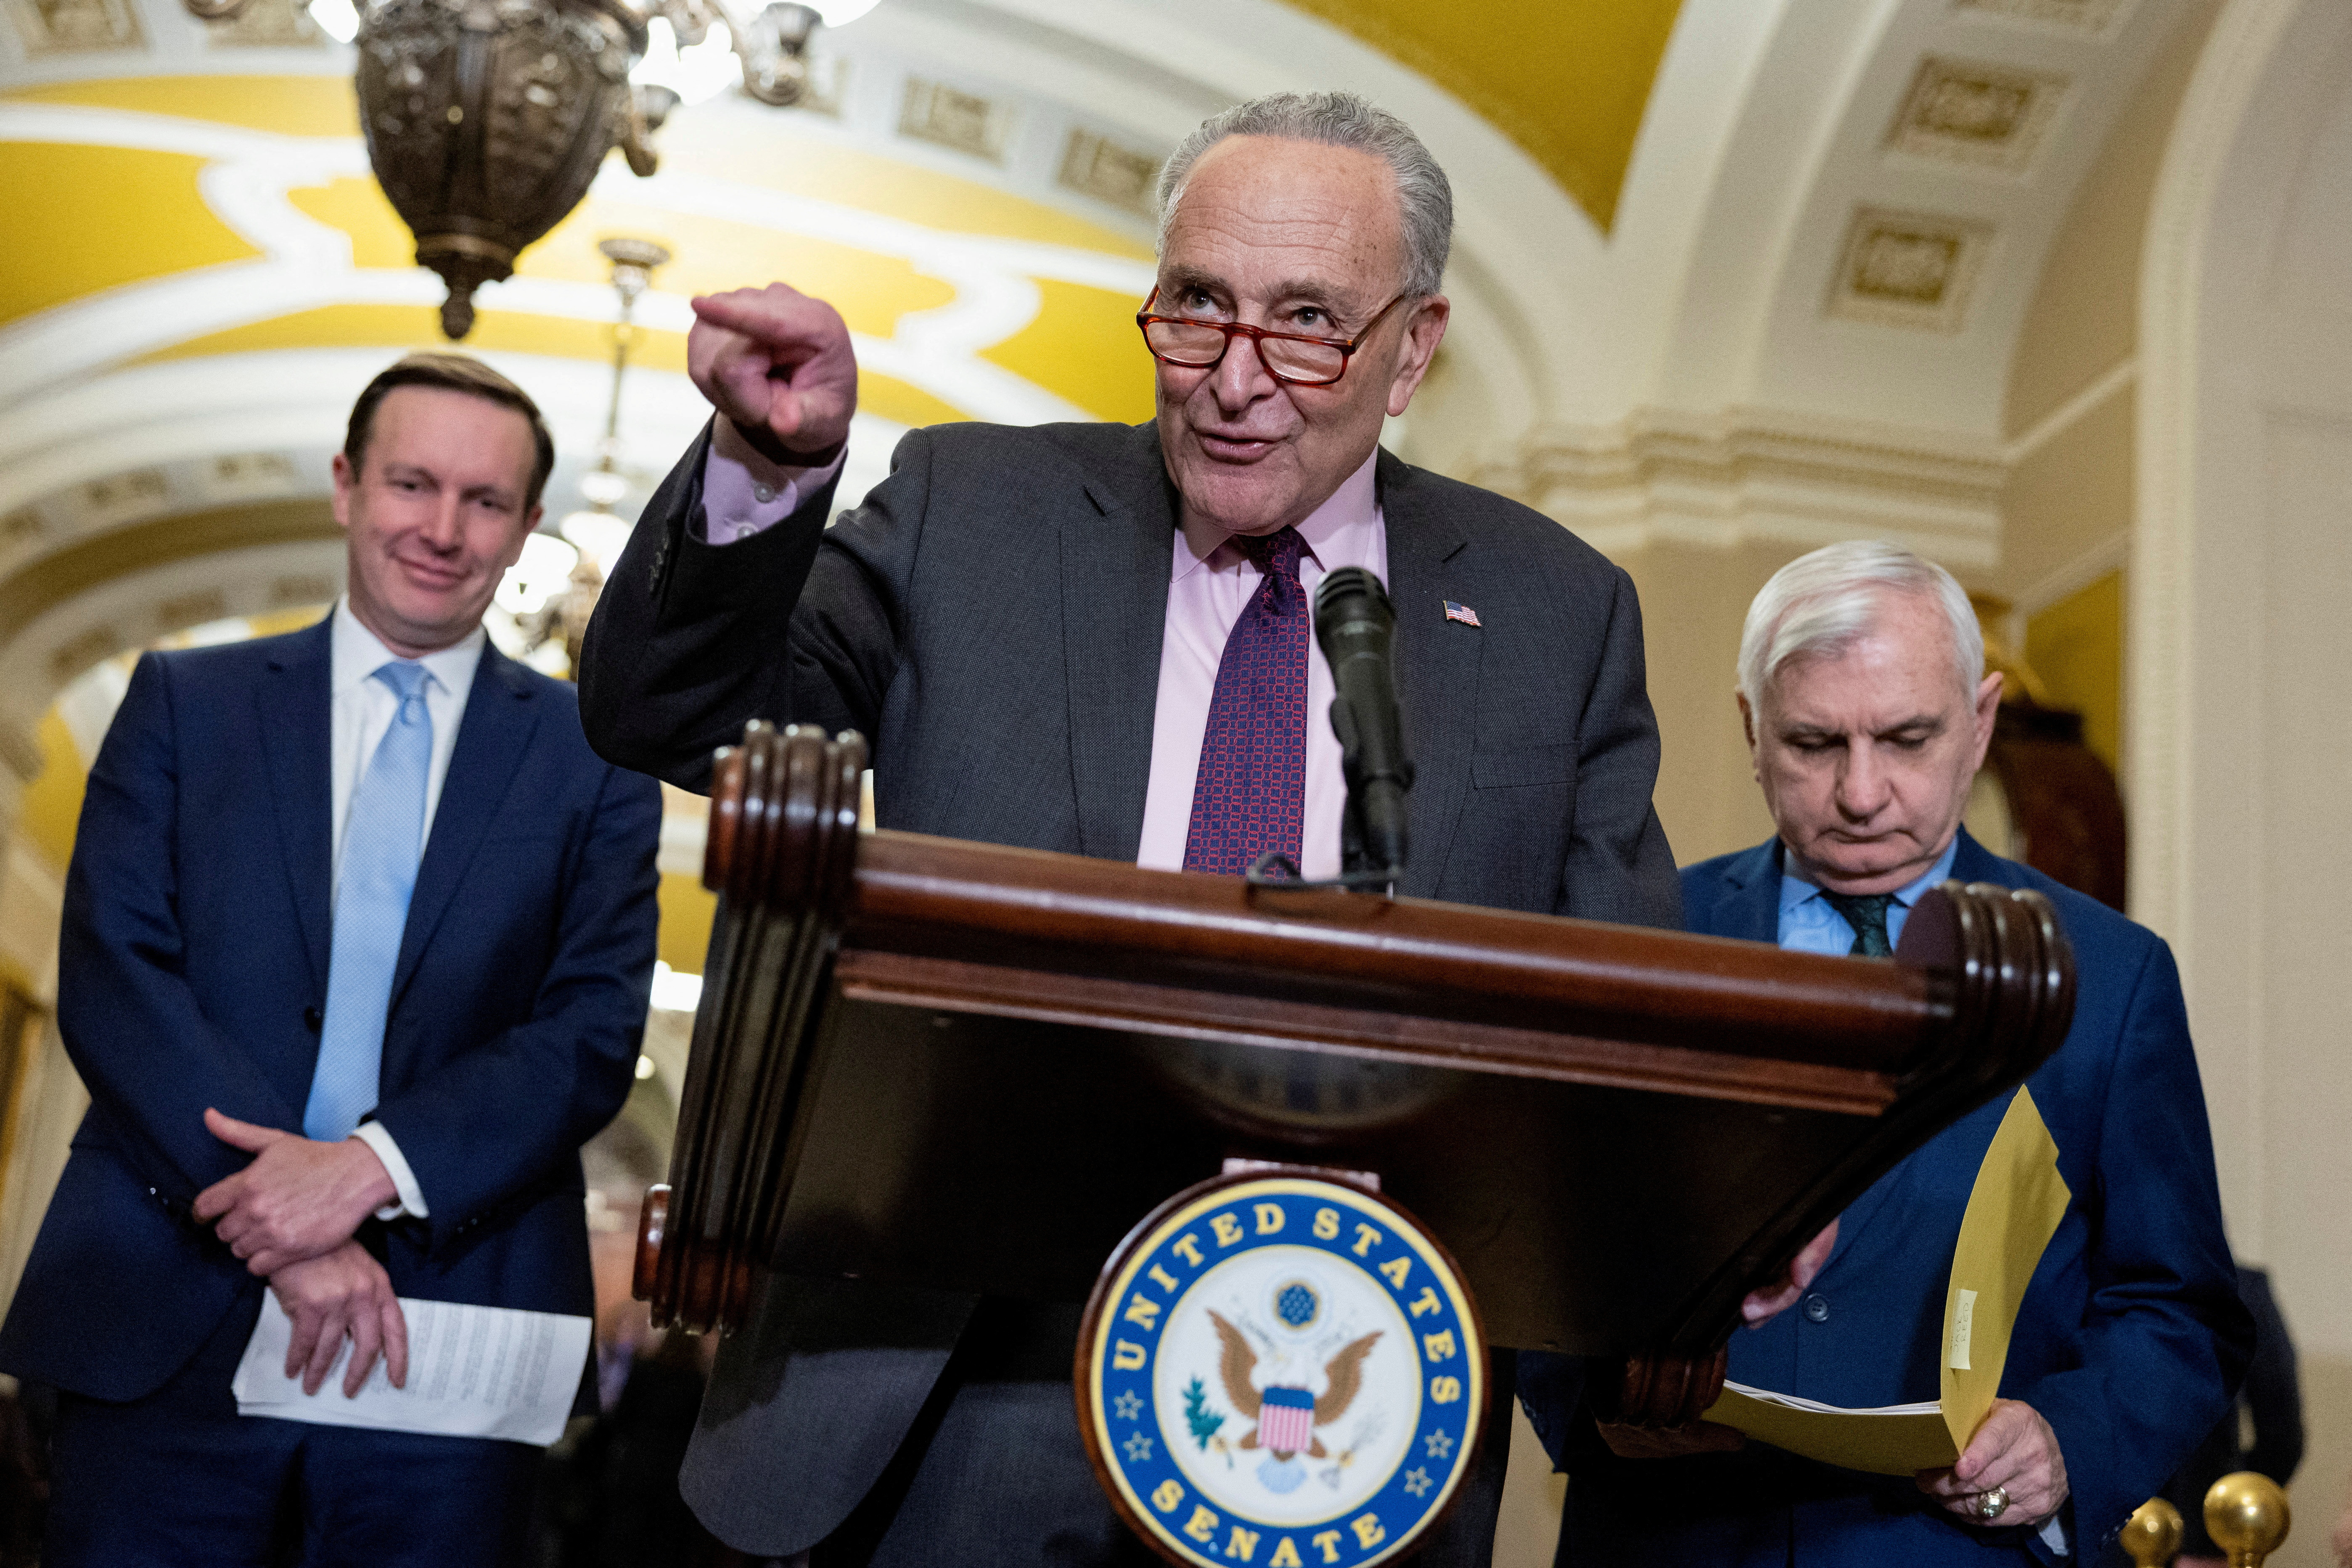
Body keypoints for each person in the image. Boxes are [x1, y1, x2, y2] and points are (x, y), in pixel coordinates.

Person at [579, 90, 1689, 1566]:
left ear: (1413, 346)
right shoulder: (973, 509)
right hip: (950, 1375)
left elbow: (1630, 1015)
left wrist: (1704, 1213)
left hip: (1343, 1401)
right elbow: (672, 711)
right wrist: (765, 473)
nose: (1235, 379)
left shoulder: (1555, 612)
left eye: (1306, 322)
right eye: (1197, 309)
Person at [0, 354, 664, 1565]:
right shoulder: (181, 702)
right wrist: (286, 1221)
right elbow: (117, 970)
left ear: (526, 528)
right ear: (346, 486)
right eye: (413, 484)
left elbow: (589, 1032)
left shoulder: (599, 760)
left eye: (486, 501)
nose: (444, 530)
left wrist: (366, 1168)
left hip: (445, 1342)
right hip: (166, 1310)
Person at [1523, 540, 2252, 1565]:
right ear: (1751, 729)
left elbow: (2180, 1304)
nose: (1862, 794)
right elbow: (1528, 1228)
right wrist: (1605, 1392)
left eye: (1907, 738)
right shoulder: (1643, 933)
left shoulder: (2113, 973)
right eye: (1815, 743)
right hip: (1670, 1531)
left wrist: (2066, 1439)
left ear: (1982, 720)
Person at [2167, 1266, 2301, 1568]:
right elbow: (2283, 1435)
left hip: (2193, 1540)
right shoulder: (2242, 1288)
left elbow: (2280, 1437)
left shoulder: (2240, 1290)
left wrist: (2222, 1521)